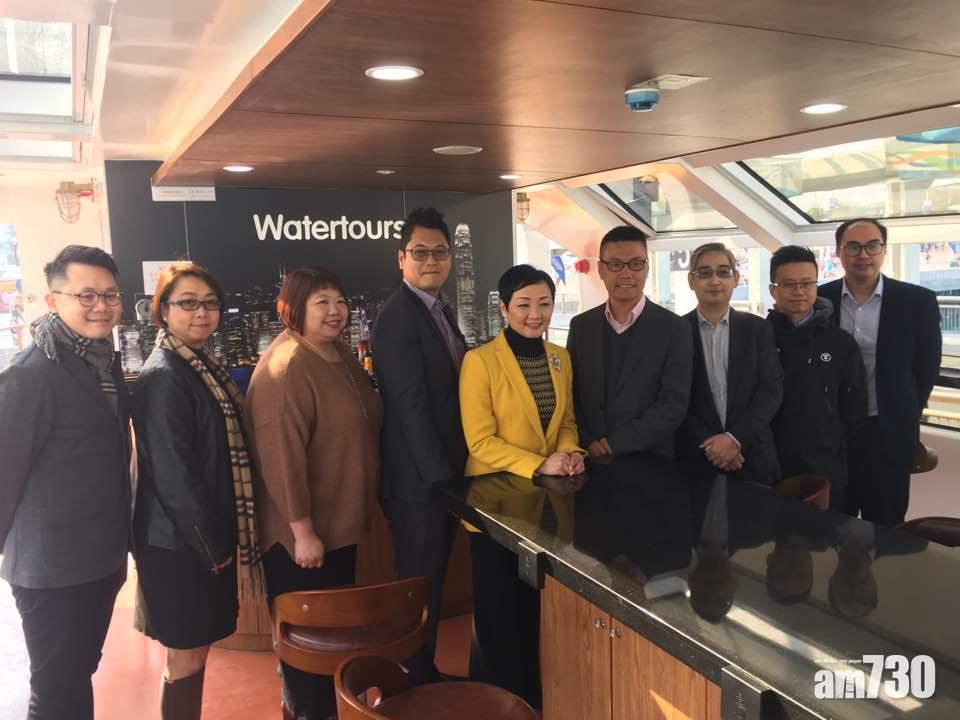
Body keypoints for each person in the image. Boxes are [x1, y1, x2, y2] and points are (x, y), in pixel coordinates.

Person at [0, 245, 130, 720]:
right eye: (86, 295)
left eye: (110, 295)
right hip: (52, 568)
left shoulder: (102, 361)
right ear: (53, 300)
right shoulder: (29, 376)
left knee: (77, 674)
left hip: (99, 558)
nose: (101, 306)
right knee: (55, 689)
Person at [246, 267, 382, 719]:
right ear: (294, 308)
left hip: (339, 527)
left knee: (333, 644)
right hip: (304, 541)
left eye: (339, 301)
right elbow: (280, 457)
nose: (334, 311)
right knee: (306, 651)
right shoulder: (287, 367)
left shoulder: (336, 352)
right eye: (321, 302)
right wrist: (302, 531)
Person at [131, 262, 261, 719]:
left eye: (209, 303)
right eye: (187, 303)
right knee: (185, 653)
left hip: (195, 539)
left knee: (195, 648)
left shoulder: (198, 365)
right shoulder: (164, 375)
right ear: (162, 311)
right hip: (178, 545)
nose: (201, 313)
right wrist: (212, 547)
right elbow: (174, 475)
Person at [460, 264, 583, 708]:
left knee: (533, 608)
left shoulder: (559, 357)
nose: (535, 314)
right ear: (503, 308)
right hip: (495, 504)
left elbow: (567, 421)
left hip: (544, 504)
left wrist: (569, 453)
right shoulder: (480, 361)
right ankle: (496, 702)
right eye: (524, 304)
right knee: (498, 611)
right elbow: (480, 441)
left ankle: (531, 697)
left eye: (544, 304)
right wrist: (540, 464)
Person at [371, 207, 467, 683]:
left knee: (429, 582)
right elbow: (410, 409)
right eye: (420, 252)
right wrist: (442, 483)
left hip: (437, 477)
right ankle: (410, 682)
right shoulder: (397, 318)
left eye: (439, 252)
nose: (431, 261)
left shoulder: (438, 310)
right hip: (418, 484)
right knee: (417, 586)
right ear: (401, 258)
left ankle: (421, 672)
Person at [818, 219, 941, 524]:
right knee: (834, 520)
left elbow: (927, 367)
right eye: (853, 247)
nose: (863, 255)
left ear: (883, 250)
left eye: (872, 246)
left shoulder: (917, 301)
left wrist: (907, 413)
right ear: (839, 252)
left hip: (890, 430)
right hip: (833, 431)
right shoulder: (819, 300)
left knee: (887, 522)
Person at [567, 226, 692, 459]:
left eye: (635, 264)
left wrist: (615, 444)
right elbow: (570, 393)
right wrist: (588, 440)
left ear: (647, 268)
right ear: (601, 269)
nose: (626, 274)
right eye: (615, 264)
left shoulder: (675, 328)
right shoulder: (581, 326)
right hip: (589, 457)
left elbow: (673, 403)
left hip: (651, 459)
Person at [767, 246, 866, 510]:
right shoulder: (758, 337)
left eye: (807, 283)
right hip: (769, 465)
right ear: (773, 290)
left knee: (826, 534)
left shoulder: (840, 342)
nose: (799, 291)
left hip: (825, 466)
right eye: (789, 284)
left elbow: (854, 408)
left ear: (816, 286)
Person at [676, 243, 782, 485]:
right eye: (705, 273)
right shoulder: (676, 331)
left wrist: (734, 439)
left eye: (723, 272)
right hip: (698, 455)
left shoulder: (758, 329)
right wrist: (714, 446)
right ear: (691, 280)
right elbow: (674, 398)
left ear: (735, 278)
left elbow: (771, 390)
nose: (714, 281)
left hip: (752, 454)